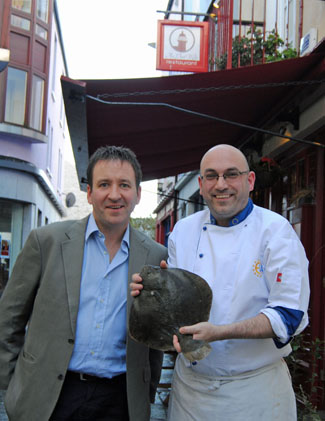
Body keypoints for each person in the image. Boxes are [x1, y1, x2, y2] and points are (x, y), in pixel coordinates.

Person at [132, 144, 310, 420]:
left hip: (255, 393)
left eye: (231, 174)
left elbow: (288, 316)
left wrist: (220, 331)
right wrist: (151, 292)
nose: (221, 185)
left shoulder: (276, 232)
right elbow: (178, 313)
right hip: (191, 392)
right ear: (201, 185)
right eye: (212, 176)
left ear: (249, 181)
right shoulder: (184, 231)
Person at [0, 146, 167, 421]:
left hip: (120, 401)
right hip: (50, 397)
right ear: (89, 193)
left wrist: (146, 391)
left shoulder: (155, 255)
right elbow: (9, 319)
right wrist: (13, 386)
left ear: (138, 194)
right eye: (104, 184)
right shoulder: (46, 242)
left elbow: (154, 338)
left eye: (124, 185)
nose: (115, 194)